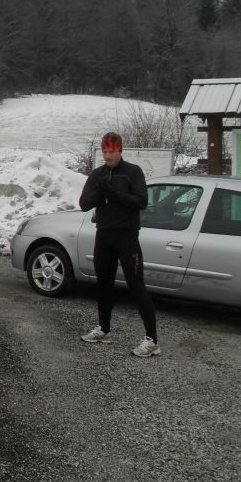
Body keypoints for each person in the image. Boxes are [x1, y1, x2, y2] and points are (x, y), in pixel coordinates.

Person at [78, 132, 160, 358]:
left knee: (136, 285)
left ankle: (152, 340)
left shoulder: (132, 172)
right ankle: (104, 329)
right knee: (103, 284)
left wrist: (112, 192)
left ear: (120, 150)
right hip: (104, 235)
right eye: (104, 152)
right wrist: (99, 191)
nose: (108, 156)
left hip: (127, 236)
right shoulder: (97, 174)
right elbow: (84, 203)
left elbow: (141, 202)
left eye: (112, 151)